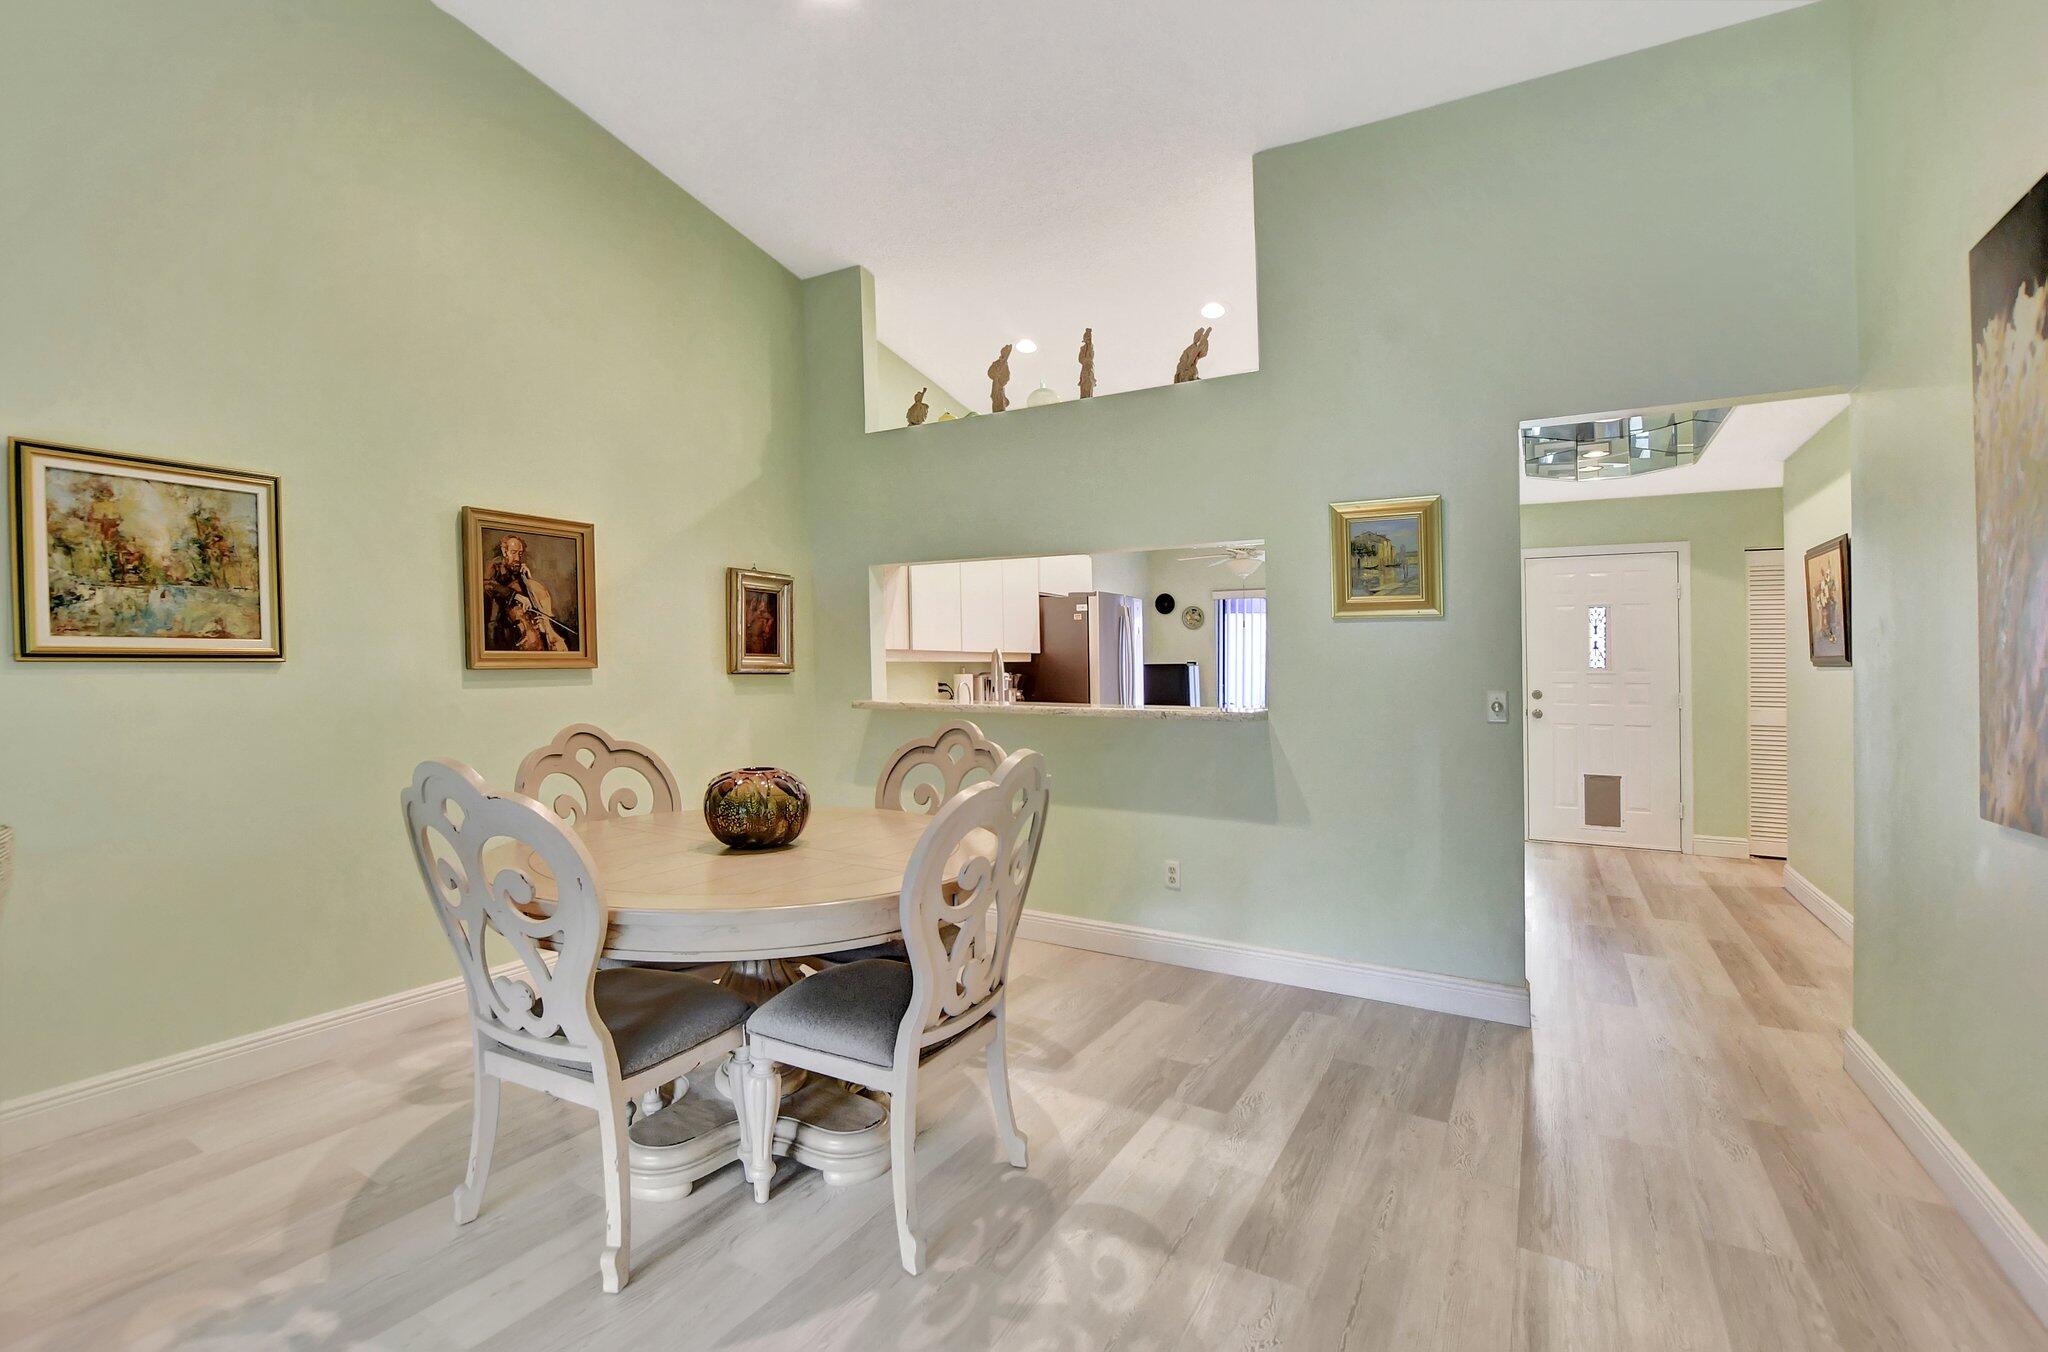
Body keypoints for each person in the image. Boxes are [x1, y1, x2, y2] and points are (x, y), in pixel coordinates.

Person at [482, 534, 569, 652]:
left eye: (520, 554)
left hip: (518, 625)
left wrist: (528, 579)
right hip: (497, 624)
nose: (517, 558)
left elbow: (533, 596)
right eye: (513, 552)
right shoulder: (494, 565)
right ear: (504, 551)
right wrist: (516, 596)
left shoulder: (518, 570)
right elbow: (488, 584)